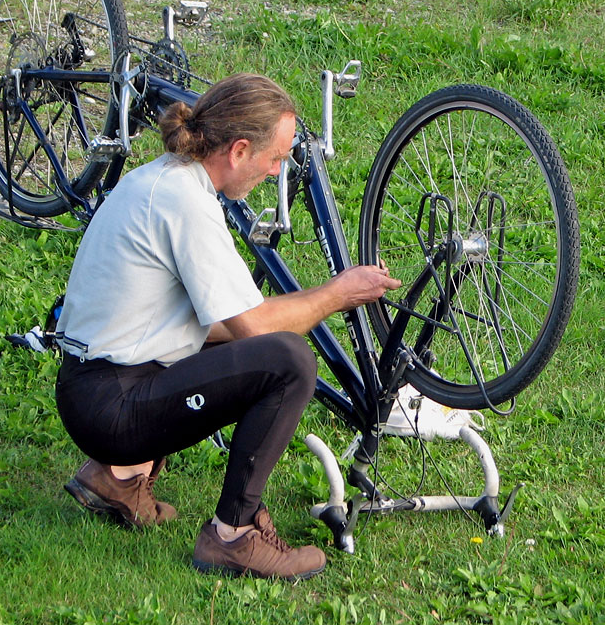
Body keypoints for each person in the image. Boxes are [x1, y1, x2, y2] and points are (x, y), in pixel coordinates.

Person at [54, 73, 401, 580]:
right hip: (110, 406)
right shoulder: (185, 202)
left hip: (93, 387)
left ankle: (117, 479)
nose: (276, 170)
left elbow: (220, 324)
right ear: (239, 151)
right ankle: (233, 536)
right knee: (289, 362)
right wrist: (338, 293)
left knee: (258, 354)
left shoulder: (166, 179)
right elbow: (256, 330)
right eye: (275, 157)